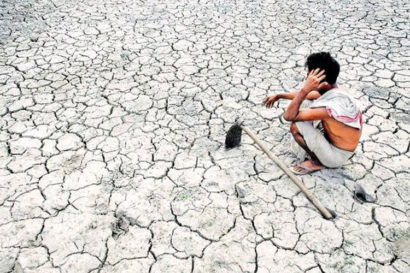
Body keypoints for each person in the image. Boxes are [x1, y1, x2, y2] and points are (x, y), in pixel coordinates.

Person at [262, 52, 362, 174]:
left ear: (323, 83)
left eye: (310, 77)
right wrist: (279, 96)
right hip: (341, 148)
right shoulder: (333, 90)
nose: (307, 79)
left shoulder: (329, 108)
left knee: (296, 126)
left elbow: (288, 116)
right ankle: (319, 151)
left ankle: (317, 162)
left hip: (336, 157)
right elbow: (310, 96)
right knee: (306, 103)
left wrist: (306, 88)